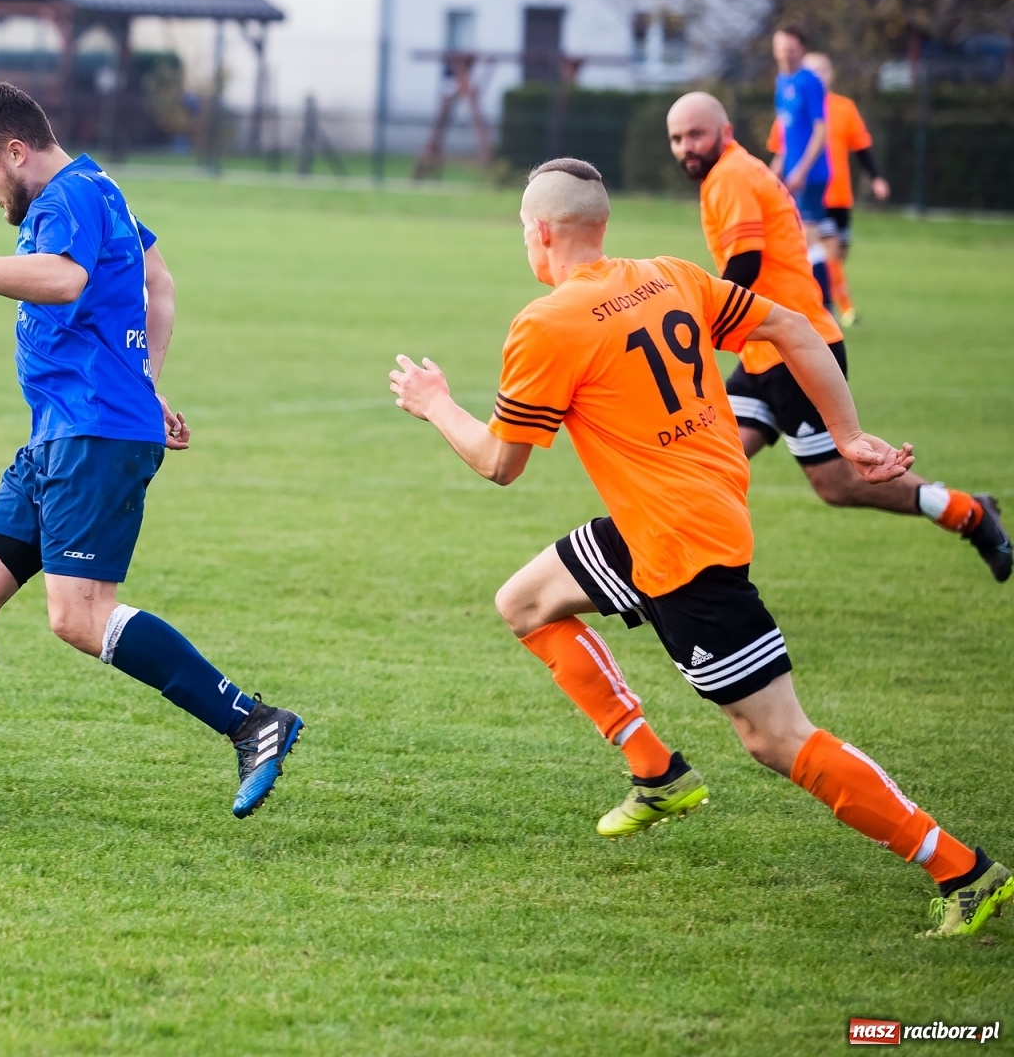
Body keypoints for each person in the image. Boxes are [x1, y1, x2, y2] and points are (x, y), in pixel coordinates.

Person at [387, 157, 1010, 937]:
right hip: (676, 517)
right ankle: (658, 772)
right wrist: (846, 435)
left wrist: (435, 404)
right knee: (526, 602)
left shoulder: (547, 324)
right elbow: (793, 326)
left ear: (539, 231)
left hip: (681, 549)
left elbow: (498, 464)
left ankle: (964, 870)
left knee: (775, 737)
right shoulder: (668, 275)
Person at [0, 83, 303, 820]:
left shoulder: (66, 197)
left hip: (92, 435)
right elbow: (158, 280)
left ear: (17, 152)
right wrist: (145, 382)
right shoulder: (99, 188)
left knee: (79, 615)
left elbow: (64, 278)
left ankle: (251, 721)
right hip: (65, 432)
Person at [667, 91, 1009, 583]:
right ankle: (681, 577)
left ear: (725, 132)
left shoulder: (731, 176)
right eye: (677, 138)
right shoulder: (732, 172)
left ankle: (969, 513)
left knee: (837, 483)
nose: (686, 147)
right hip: (765, 352)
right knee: (711, 459)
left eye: (695, 134)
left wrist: (695, 326)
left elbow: (745, 263)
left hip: (796, 353)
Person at [768, 52, 890, 326]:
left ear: (831, 74)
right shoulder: (793, 101)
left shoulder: (844, 107)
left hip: (840, 194)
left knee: (838, 253)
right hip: (811, 194)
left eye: (822, 70)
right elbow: (781, 149)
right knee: (826, 247)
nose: (817, 76)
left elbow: (862, 147)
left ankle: (823, 299)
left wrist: (876, 178)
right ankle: (836, 308)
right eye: (812, 71)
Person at [767, 26, 833, 308]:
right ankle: (801, 298)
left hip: (811, 174)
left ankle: (824, 303)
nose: (786, 53)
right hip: (793, 172)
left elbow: (820, 130)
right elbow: (786, 132)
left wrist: (801, 170)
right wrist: (775, 169)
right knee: (792, 235)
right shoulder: (782, 81)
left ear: (801, 50)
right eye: (781, 47)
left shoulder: (809, 82)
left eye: (791, 48)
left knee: (809, 234)